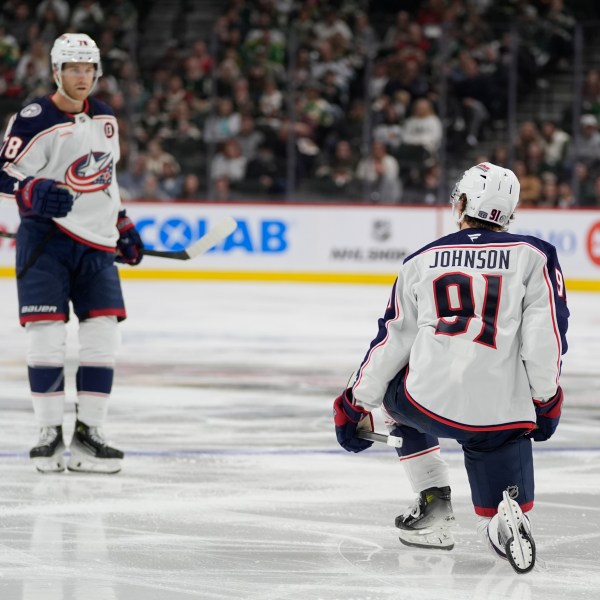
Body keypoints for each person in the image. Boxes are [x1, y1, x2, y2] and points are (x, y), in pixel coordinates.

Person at [333, 162, 569, 574]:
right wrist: (544, 401)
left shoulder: (420, 260)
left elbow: (392, 341)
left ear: (462, 202)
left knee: (393, 399)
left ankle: (434, 508)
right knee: (500, 448)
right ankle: (503, 519)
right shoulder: (535, 256)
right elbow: (544, 338)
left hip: (426, 402)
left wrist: (355, 403)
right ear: (509, 212)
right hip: (501, 413)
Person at [0, 33, 144, 474]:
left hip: (97, 245)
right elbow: (3, 173)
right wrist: (31, 188)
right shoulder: (33, 118)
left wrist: (121, 222)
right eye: (73, 68)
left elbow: (107, 178)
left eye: (88, 69)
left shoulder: (105, 118)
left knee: (103, 337)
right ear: (56, 71)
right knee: (46, 334)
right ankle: (49, 432)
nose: (82, 77)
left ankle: (88, 436)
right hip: (47, 241)